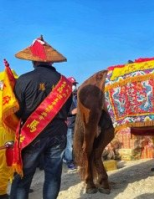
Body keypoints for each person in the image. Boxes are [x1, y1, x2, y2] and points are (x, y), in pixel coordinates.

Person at [10, 36, 72, 199]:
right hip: (58, 134)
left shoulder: (23, 80)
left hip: (32, 134)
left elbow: (17, 110)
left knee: (23, 178)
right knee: (52, 176)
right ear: (51, 61)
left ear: (33, 60)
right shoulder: (65, 82)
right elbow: (66, 110)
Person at [0, 67, 18, 199]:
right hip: (4, 131)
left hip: (10, 129)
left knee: (12, 160)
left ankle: (16, 185)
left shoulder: (6, 76)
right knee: (4, 162)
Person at [63, 77, 78, 170]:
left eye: (74, 84)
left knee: (74, 143)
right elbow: (62, 111)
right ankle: (69, 161)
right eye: (72, 85)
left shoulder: (76, 97)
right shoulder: (64, 98)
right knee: (69, 144)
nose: (74, 86)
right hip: (68, 123)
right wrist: (72, 112)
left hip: (76, 123)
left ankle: (73, 158)